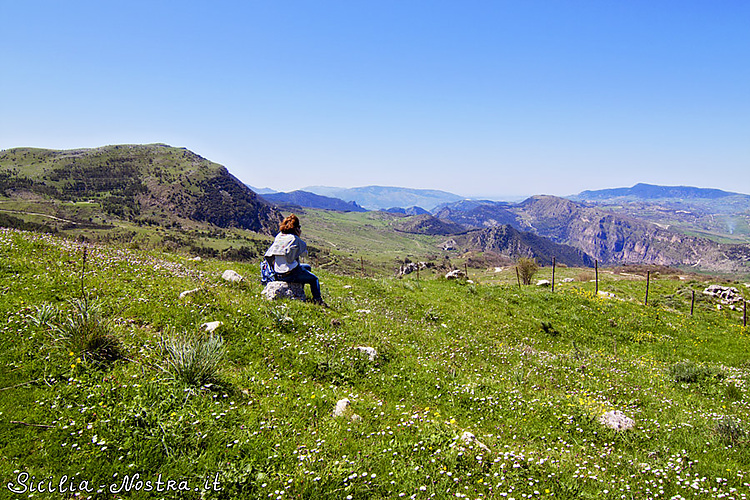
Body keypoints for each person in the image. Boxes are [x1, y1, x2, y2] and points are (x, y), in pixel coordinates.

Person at [264, 214, 325, 305]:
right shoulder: (295, 239)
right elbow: (304, 254)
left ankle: (300, 289)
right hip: (290, 274)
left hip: (278, 273)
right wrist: (298, 238)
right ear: (296, 227)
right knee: (314, 279)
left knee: (307, 267)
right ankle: (318, 300)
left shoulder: (279, 236)